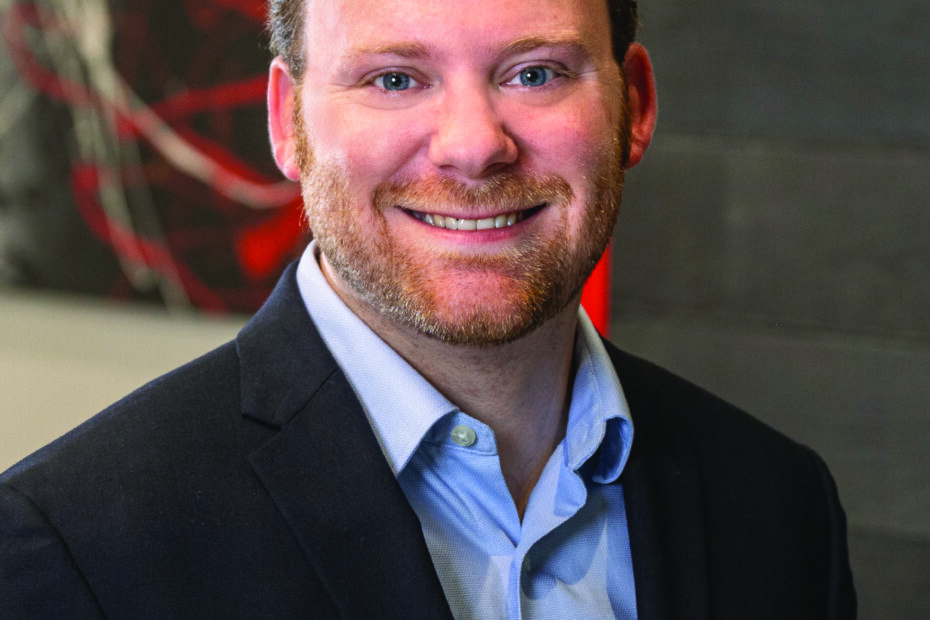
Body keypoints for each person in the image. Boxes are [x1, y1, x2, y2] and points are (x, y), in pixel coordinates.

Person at [0, 0, 856, 617]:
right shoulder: (72, 547)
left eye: (535, 73)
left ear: (635, 104)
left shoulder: (780, 504)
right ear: (287, 124)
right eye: (395, 78)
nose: (474, 146)